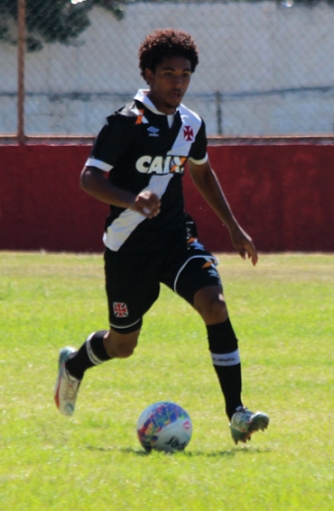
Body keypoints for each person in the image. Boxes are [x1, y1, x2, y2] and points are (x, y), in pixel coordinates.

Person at [54, 29, 269, 444]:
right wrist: (131, 200)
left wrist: (232, 225)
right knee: (122, 345)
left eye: (185, 75)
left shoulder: (191, 124)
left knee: (215, 305)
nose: (178, 83)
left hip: (175, 240)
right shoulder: (125, 122)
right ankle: (75, 365)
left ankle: (237, 413)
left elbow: (202, 172)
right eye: (168, 74)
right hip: (128, 248)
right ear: (149, 75)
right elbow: (89, 178)